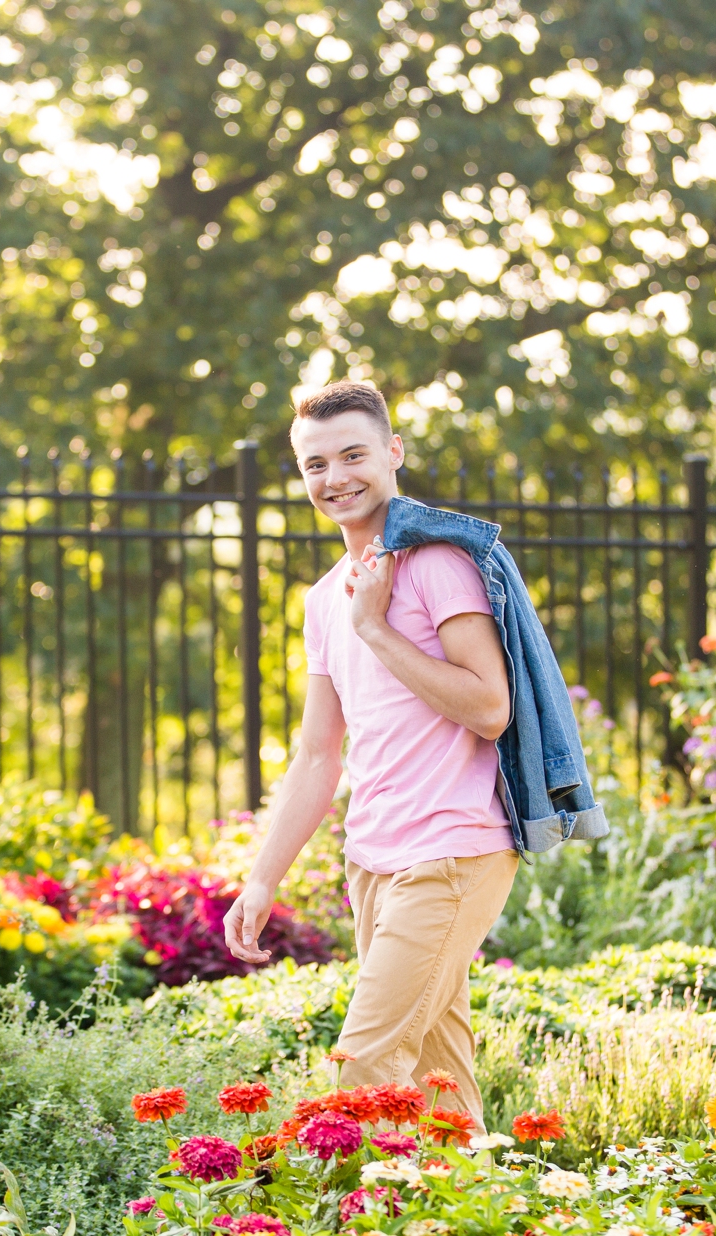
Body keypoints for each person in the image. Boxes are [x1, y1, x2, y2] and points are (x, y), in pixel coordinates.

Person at [221, 380, 599, 1131]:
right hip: (375, 861)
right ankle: (476, 1229)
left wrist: (378, 629)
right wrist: (262, 879)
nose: (336, 478)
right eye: (315, 465)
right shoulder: (325, 598)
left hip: (454, 852)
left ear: (392, 453)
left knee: (362, 1070)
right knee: (436, 1081)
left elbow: (491, 708)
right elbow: (318, 755)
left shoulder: (437, 567)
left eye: (354, 454)